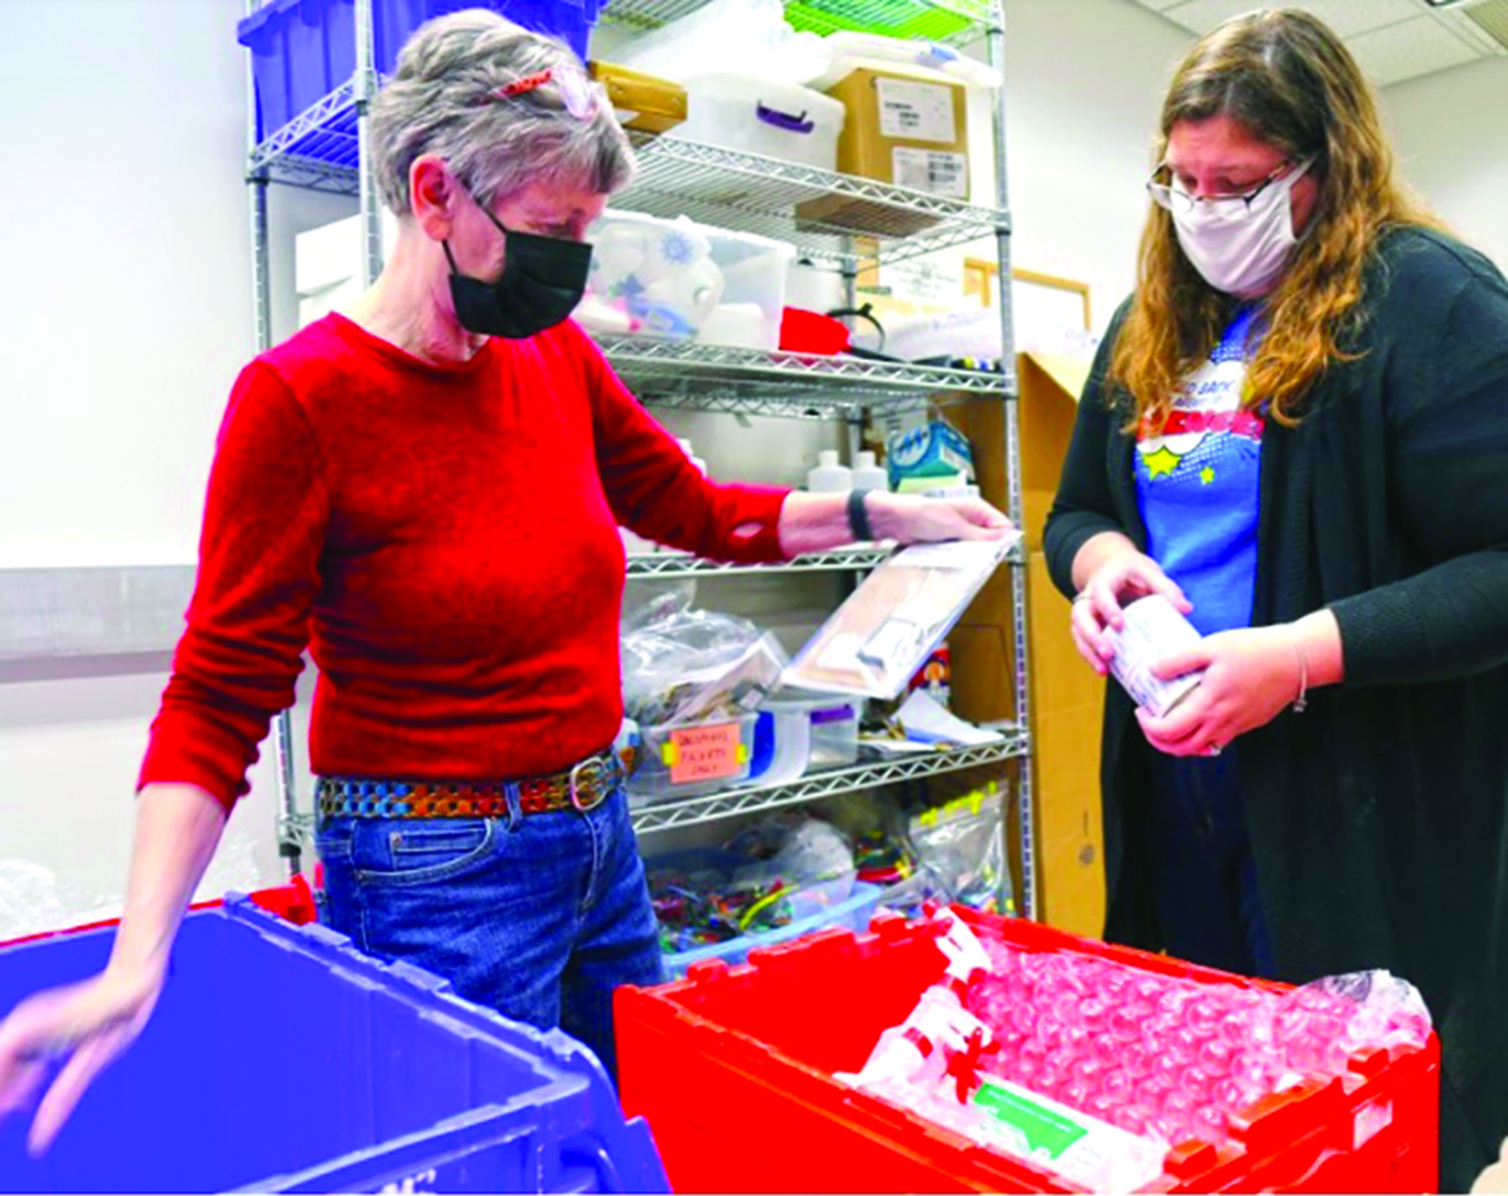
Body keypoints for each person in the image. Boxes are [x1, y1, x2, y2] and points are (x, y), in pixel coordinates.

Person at [0, 9, 1013, 1156]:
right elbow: (219, 695)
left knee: (629, 1133)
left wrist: (890, 511)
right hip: (437, 874)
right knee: (484, 1165)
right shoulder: (301, 402)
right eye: (548, 225)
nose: (571, 260)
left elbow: (694, 508)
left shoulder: (551, 354)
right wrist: (141, 958)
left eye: (587, 227)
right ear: (435, 195)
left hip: (597, 837)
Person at [1044, 8, 1508, 1188]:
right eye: (1181, 179)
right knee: (1207, 1089)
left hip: (1350, 792)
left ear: (1324, 168)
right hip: (1177, 774)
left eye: (1238, 181)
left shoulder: (1431, 304)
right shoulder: (1154, 317)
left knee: (1351, 1112)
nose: (1203, 208)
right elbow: (1076, 512)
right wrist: (1099, 572)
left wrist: (1300, 652)